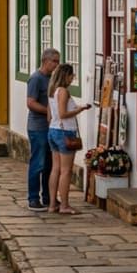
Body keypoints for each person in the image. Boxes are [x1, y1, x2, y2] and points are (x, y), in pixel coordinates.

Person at [48, 63, 92, 214]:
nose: (73, 78)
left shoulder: (52, 91)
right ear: (66, 76)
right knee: (66, 171)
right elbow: (63, 114)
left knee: (55, 169)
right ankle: (64, 205)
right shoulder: (63, 92)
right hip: (65, 132)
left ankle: (53, 203)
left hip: (53, 130)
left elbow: (52, 115)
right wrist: (79, 109)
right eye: (72, 75)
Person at [27, 48, 61, 211]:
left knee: (49, 164)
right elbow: (31, 102)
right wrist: (49, 111)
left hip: (51, 127)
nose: (56, 64)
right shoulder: (36, 78)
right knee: (38, 163)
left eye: (58, 61)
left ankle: (48, 197)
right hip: (38, 127)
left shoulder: (52, 79)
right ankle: (33, 198)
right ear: (45, 61)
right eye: (54, 61)